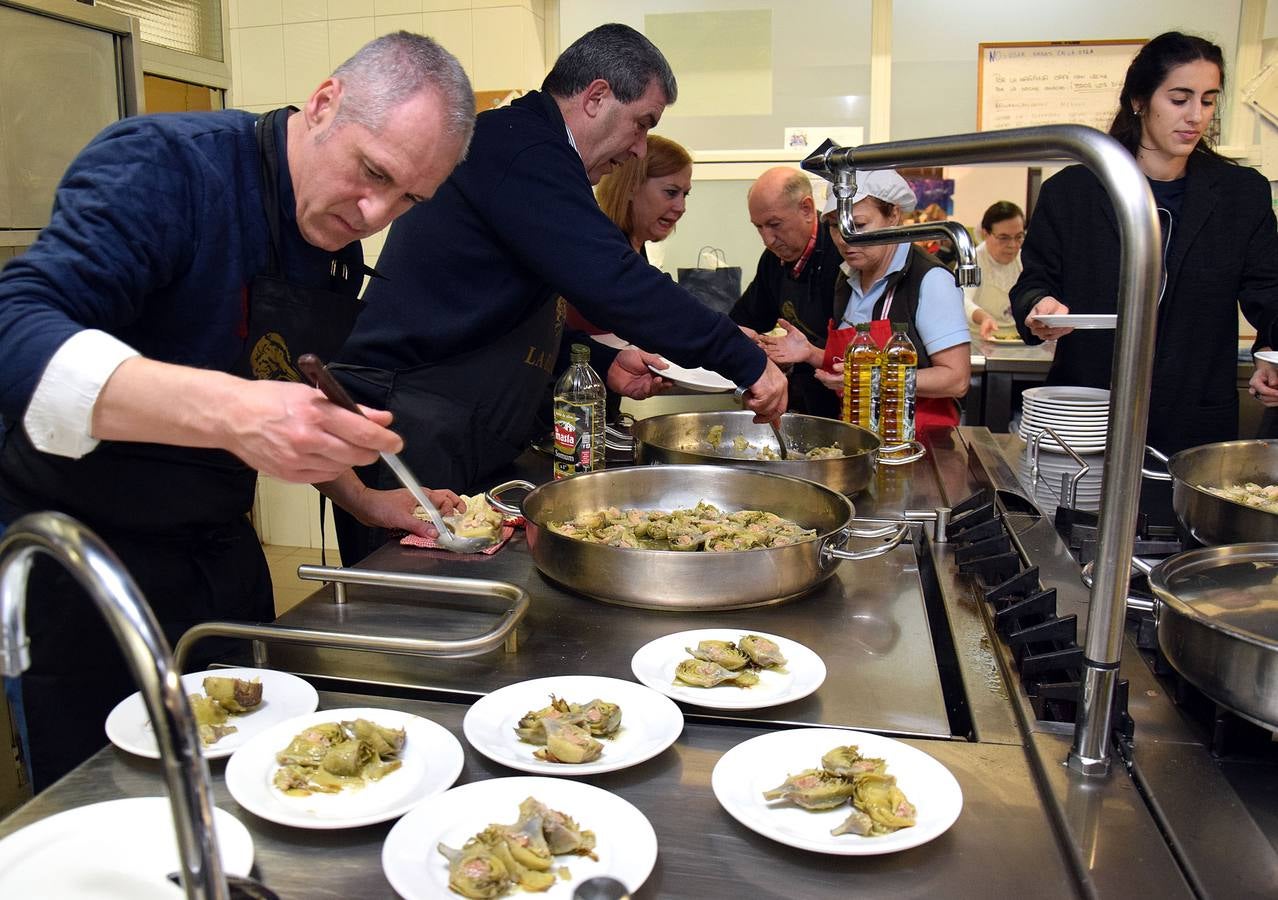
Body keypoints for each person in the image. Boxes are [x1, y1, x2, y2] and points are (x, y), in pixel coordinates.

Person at [0, 32, 475, 790]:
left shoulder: (332, 244)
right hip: (86, 567)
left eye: (407, 200)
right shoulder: (164, 166)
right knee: (104, 797)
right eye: (372, 173)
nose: (375, 212)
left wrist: (361, 494)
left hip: (218, 552)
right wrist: (232, 413)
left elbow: (282, 387)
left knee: (254, 778)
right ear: (324, 103)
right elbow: (16, 335)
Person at [330, 24, 786, 564]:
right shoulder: (522, 148)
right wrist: (744, 360)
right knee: (416, 616)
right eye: (642, 124)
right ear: (595, 97)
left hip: (455, 425)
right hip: (410, 427)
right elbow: (616, 282)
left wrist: (604, 360)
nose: (639, 148)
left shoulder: (535, 151)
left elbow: (513, 316)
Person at [1012, 32, 1278, 473]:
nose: (1197, 116)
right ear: (1139, 99)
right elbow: (1034, 281)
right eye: (1179, 99)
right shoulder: (1072, 192)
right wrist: (1038, 306)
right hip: (1085, 414)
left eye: (1208, 101)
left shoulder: (1240, 194)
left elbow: (1269, 293)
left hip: (1193, 419)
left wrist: (1273, 353)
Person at [802, 171, 971, 424]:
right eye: (836, 226)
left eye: (858, 225)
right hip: (864, 430)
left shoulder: (930, 279)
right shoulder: (848, 277)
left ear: (893, 215)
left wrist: (871, 379)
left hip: (921, 437)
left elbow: (956, 379)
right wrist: (809, 352)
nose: (845, 239)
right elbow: (853, 363)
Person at [567, 134, 693, 418]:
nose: (681, 207)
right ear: (631, 187)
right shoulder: (603, 250)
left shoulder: (635, 248)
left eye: (685, 195)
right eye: (671, 192)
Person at [730, 167, 843, 414]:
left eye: (774, 224)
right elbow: (746, 318)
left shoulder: (843, 256)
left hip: (845, 400)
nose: (767, 239)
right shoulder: (773, 259)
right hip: (802, 398)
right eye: (759, 227)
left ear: (806, 208)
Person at [965, 201, 1026, 340]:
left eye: (1019, 237)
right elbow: (962, 300)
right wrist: (984, 317)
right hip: (979, 340)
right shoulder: (972, 261)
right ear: (986, 234)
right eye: (1004, 238)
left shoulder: (1024, 260)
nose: (1012, 245)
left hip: (1018, 340)